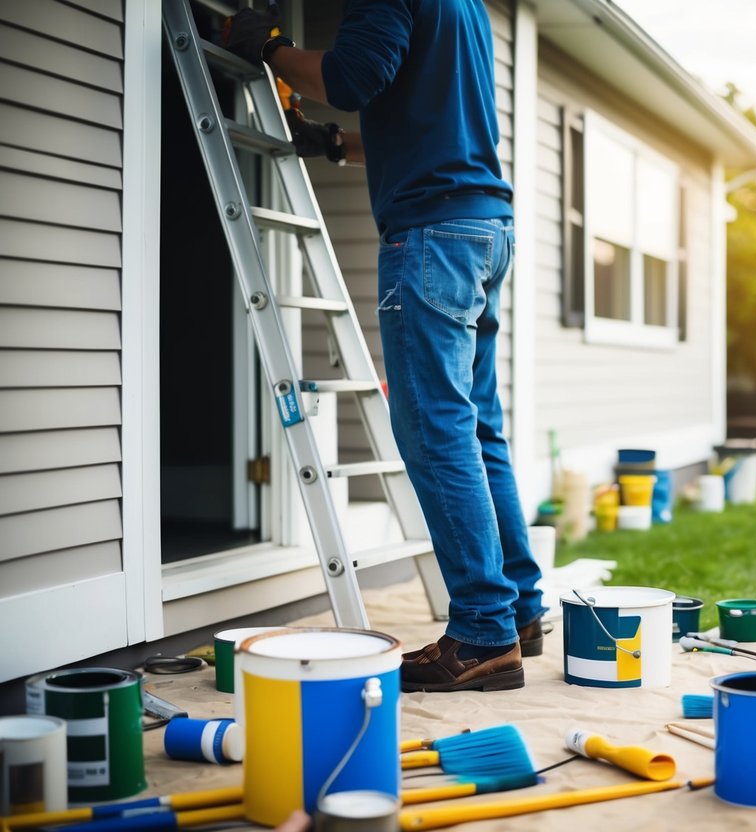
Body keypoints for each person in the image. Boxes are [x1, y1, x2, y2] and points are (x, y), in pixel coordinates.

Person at [224, 0, 546, 692]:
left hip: (433, 236)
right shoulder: (464, 9)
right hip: (482, 229)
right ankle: (517, 614)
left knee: (436, 429)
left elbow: (350, 77)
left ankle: (484, 633)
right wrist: (338, 145)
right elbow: (427, 114)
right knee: (475, 429)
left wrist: (272, 47)